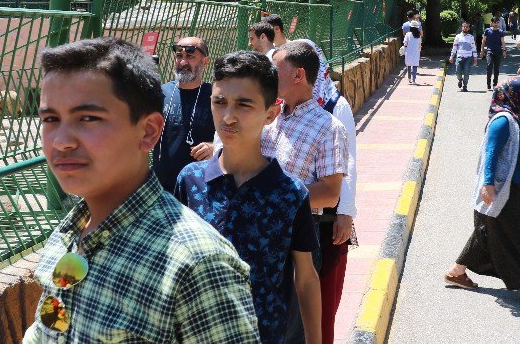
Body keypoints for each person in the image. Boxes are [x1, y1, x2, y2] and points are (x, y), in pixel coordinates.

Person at [27, 37, 258, 343]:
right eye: (51, 119)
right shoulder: (68, 233)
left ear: (148, 131)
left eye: (87, 118)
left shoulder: (197, 264)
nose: (61, 141)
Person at [175, 51, 321, 344]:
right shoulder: (190, 180)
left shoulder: (290, 193)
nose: (228, 116)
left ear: (270, 113)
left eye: (244, 104)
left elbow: (305, 278)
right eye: (220, 102)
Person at [444, 77, 520, 302]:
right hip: (505, 190)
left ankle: (457, 272)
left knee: (488, 233)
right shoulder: (503, 121)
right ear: (516, 94)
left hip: (515, 189)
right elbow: (490, 153)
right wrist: (488, 184)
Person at [263, 41, 350, 344]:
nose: (268, 75)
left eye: (275, 70)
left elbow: (329, 192)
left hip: (296, 236)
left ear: (298, 75)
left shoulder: (329, 127)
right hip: (259, 229)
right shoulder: (271, 117)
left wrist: (274, 196)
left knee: (291, 326)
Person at [302, 39, 358, 344]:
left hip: (328, 219)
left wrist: (346, 213)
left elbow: (349, 162)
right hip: (298, 217)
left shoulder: (337, 106)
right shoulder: (282, 108)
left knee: (323, 301)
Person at [152, 36, 216, 193]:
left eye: (190, 57)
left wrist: (215, 147)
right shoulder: (162, 93)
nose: (183, 62)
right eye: (179, 56)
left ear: (205, 62)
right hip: (161, 188)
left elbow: (238, 137)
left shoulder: (216, 97)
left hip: (200, 189)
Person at [448, 21, 478, 92]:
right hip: (459, 57)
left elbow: (474, 48)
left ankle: (465, 86)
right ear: (462, 27)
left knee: (466, 73)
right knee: (457, 72)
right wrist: (451, 56)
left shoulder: (471, 37)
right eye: (464, 26)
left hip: (468, 58)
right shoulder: (458, 36)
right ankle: (460, 80)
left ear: (468, 28)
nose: (465, 28)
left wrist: (475, 58)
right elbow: (454, 47)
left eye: (466, 27)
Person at [481, 18, 506, 90]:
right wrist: (482, 51)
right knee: (489, 66)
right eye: (495, 22)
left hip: (498, 51)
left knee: (496, 68)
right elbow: (483, 41)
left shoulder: (500, 31)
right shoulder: (487, 30)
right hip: (489, 51)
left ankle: (495, 83)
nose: (496, 24)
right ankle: (488, 83)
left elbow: (503, 42)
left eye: (497, 22)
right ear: (492, 23)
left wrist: (504, 50)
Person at [404, 21, 422, 85]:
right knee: (415, 66)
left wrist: (404, 48)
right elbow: (420, 45)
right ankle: (414, 80)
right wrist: (419, 50)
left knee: (409, 65)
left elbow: (405, 43)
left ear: (410, 27)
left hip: (408, 52)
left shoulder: (408, 34)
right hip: (416, 52)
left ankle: (409, 78)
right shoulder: (419, 35)